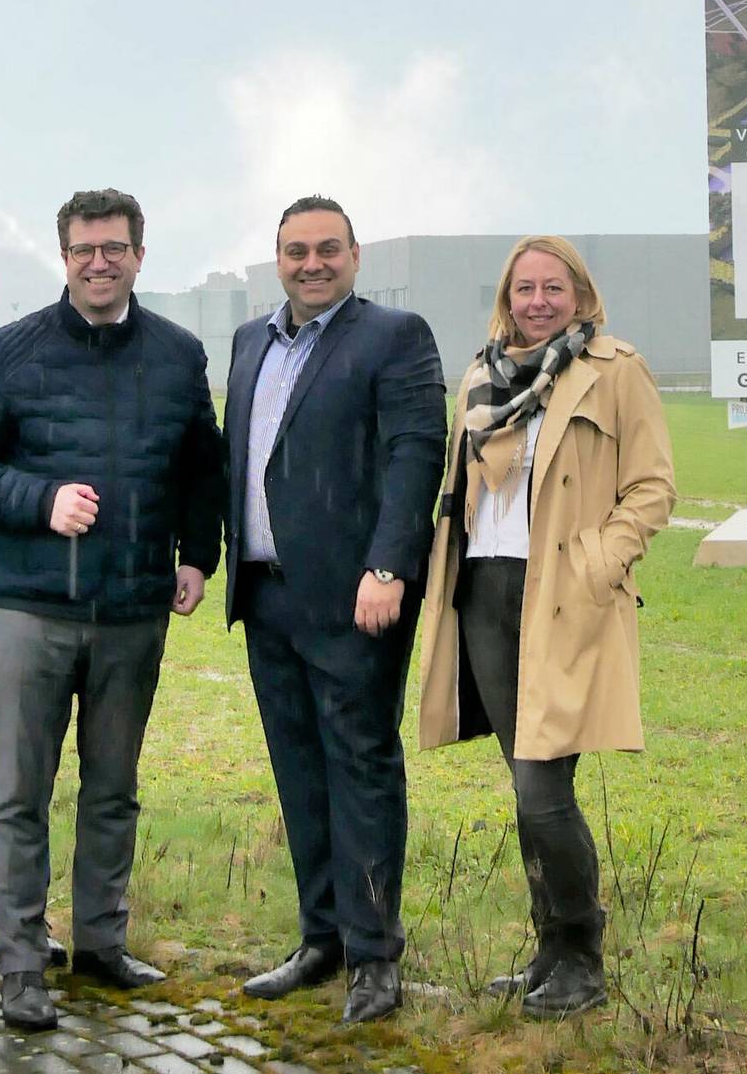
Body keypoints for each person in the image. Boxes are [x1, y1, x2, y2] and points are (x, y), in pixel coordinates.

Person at [0, 188, 224, 1032]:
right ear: (63, 257)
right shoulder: (13, 353)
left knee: (113, 789)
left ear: (140, 253)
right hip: (31, 608)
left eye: (115, 247)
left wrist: (197, 554)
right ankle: (21, 962)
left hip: (134, 608)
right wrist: (39, 498)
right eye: (84, 249)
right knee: (19, 791)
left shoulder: (177, 354)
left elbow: (199, 464)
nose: (100, 262)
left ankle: (100, 940)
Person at [415, 235, 675, 1019]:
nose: (536, 300)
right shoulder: (480, 373)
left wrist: (601, 560)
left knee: (543, 784)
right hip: (486, 591)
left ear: (580, 294)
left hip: (562, 592)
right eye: (523, 287)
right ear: (507, 296)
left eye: (552, 287)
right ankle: (548, 952)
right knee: (525, 784)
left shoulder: (614, 369)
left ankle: (582, 954)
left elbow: (654, 486)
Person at [223, 196, 445, 1024]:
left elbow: (415, 451)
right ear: (276, 258)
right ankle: (322, 938)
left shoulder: (393, 336)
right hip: (267, 593)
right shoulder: (251, 341)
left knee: (360, 767)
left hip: (357, 598)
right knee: (298, 771)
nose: (310, 263)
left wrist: (388, 564)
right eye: (295, 251)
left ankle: (375, 956)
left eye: (326, 249)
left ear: (356, 255)